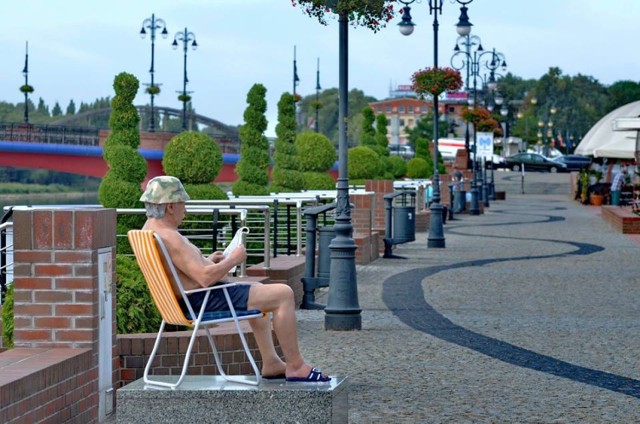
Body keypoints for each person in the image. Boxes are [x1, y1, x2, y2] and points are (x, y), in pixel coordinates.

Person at [139, 176, 330, 382]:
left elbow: (180, 273)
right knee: (283, 294)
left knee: (259, 290)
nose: (185, 209)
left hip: (186, 299)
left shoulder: (149, 230)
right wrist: (233, 261)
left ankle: (271, 362)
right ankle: (296, 366)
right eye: (182, 203)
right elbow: (204, 278)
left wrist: (211, 260)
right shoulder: (170, 236)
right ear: (170, 207)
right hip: (200, 300)